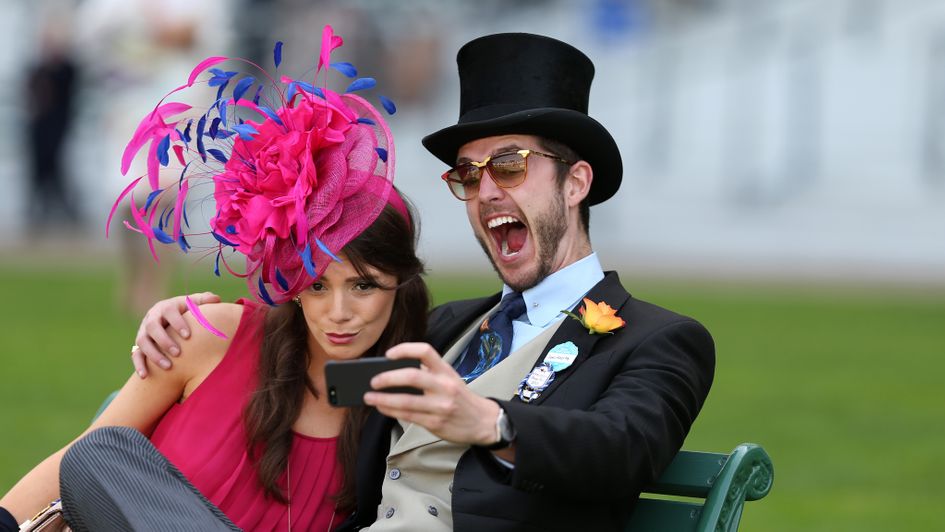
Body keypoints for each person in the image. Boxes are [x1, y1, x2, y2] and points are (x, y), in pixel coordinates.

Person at [100, 33, 716, 531]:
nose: (487, 190)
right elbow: (325, 348)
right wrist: (201, 317)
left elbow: (623, 449)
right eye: (469, 175)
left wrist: (491, 422)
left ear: (575, 184)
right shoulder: (445, 327)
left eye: (509, 164)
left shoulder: (659, 340)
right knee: (98, 465)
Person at [0, 27, 428, 532]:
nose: (338, 312)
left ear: (401, 282)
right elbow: (83, 466)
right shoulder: (211, 336)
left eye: (364, 285)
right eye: (315, 285)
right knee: (96, 456)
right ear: (289, 283)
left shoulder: (404, 396)